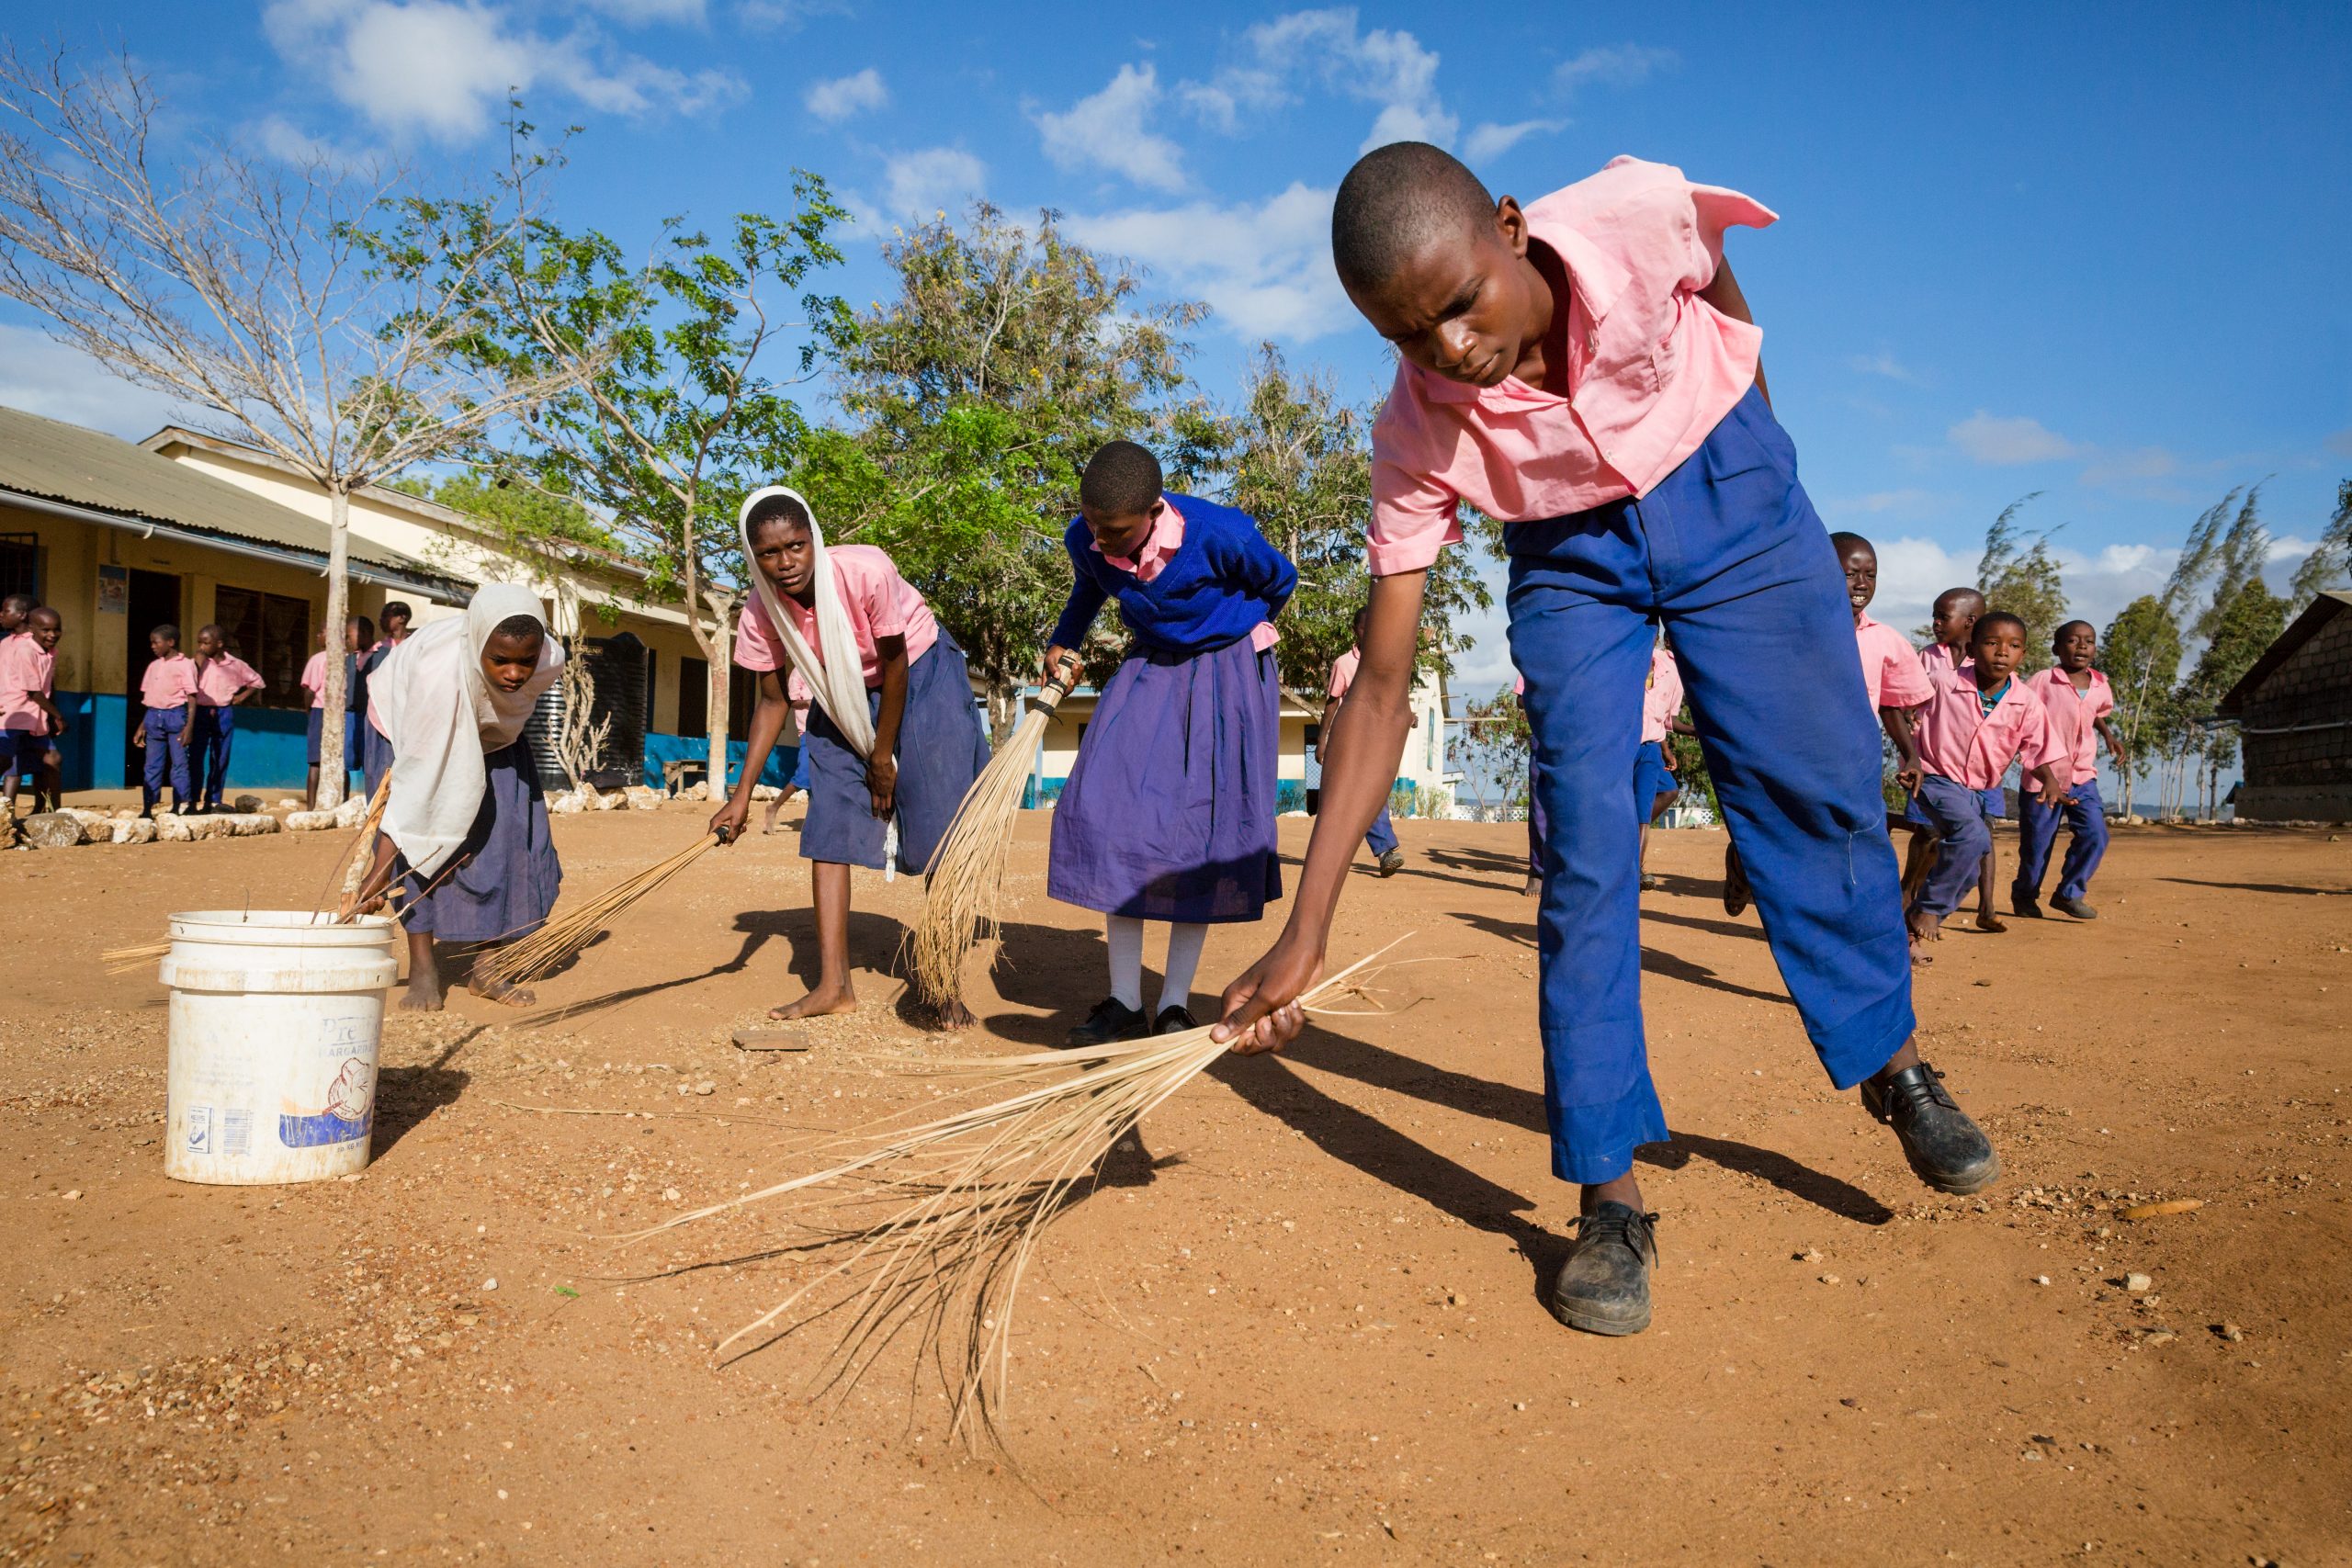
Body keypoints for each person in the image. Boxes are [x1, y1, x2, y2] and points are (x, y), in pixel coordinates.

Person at [1214, 145, 2003, 1338]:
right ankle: (1608, 1195)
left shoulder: (1635, 209)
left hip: (1728, 481)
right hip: (1571, 557)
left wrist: (1766, 453)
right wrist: (1305, 924)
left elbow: (1725, 292)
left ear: (1514, 229)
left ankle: (1891, 1063)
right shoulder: (1421, 427)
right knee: (1583, 851)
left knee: (1820, 788)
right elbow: (1378, 687)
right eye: (1407, 334)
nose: (1451, 351)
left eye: (1461, 304)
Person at [1045, 441, 1296, 1044]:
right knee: (1110, 814)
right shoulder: (1088, 537)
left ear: (1155, 510)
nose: (1102, 539)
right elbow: (1089, 585)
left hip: (1227, 672)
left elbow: (1278, 578)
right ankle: (1124, 1001)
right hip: (1152, 666)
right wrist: (1064, 639)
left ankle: (1175, 1004)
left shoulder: (1220, 533)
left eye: (1117, 530)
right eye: (1094, 525)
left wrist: (1243, 635)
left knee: (1199, 835)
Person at [709, 487, 989, 1026]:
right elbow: (771, 702)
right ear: (752, 556)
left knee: (939, 826)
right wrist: (740, 796)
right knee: (830, 822)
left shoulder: (865, 571)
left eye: (795, 545)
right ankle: (834, 985)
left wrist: (882, 760)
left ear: (812, 538)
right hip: (835, 691)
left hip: (921, 673)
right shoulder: (760, 613)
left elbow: (896, 667)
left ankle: (941, 984)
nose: (785, 563)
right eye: (768, 553)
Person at [349, 585, 565, 1011]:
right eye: (500, 660)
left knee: (509, 843)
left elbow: (505, 705)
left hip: (494, 737)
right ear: (477, 646)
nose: (515, 674)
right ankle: (424, 967)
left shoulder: (550, 659)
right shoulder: (437, 675)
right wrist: (379, 872)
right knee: (422, 843)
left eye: (526, 660)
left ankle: (489, 967)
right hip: (408, 732)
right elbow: (417, 790)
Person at [1724, 531, 1932, 916]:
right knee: (1777, 828)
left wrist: (1910, 756)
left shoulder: (1885, 640)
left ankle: (1831, 917)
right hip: (1790, 752)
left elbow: (1891, 704)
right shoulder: (1789, 626)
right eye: (1851, 573)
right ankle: (1742, 864)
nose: (1862, 584)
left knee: (1844, 840)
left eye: (1871, 575)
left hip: (1853, 760)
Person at [1907, 612, 2067, 947]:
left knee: (1973, 854)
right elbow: (1904, 707)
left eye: (2013, 645)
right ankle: (1928, 909)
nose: (2002, 652)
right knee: (1972, 834)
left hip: (1977, 791)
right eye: (1992, 643)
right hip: (1936, 778)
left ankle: (1912, 931)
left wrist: (2050, 780)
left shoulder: (2027, 703)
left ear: (2023, 654)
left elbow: (2036, 749)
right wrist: (1909, 750)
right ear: (1972, 649)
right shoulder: (1942, 682)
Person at [2013, 620, 2124, 919]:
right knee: (2037, 846)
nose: (2082, 646)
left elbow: (2095, 712)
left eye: (2088, 641)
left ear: (2095, 648)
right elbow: (2021, 709)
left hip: (2082, 775)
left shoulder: (2100, 683)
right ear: (2057, 648)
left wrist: (2108, 734)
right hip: (2044, 776)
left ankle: (2068, 893)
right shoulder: (2044, 680)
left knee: (2095, 834)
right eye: (2073, 641)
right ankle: (2025, 895)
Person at [1910, 586, 2006, 931]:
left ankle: (1987, 906)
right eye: (1934, 615)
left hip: (1982, 769)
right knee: (1927, 834)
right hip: (1932, 764)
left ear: (1970, 621)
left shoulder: (1990, 663)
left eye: (1942, 616)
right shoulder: (1927, 657)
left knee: (1983, 835)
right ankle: (1911, 896)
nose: (1935, 622)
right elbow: (1910, 699)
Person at [1325, 604, 1408, 878]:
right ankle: (1384, 850)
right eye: (1363, 627)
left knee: (1367, 794)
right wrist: (1323, 739)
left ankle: (1380, 851)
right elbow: (1332, 702)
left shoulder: (1389, 661)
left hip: (1381, 737)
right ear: (1355, 631)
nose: (1369, 632)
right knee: (1358, 793)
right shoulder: (1344, 663)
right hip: (1352, 738)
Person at [189, 625, 265, 812]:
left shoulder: (235, 664)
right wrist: (197, 664)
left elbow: (258, 682)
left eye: (206, 643)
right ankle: (191, 800)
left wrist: (240, 697)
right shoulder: (197, 662)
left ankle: (213, 800)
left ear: (219, 643)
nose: (201, 647)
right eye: (199, 642)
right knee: (195, 757)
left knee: (220, 757)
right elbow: (187, 684)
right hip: (200, 712)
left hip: (223, 712)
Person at [1635, 637, 1690, 892]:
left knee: (1645, 809)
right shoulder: (1629, 660)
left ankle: (1635, 868)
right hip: (1622, 745)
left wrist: (1667, 748)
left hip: (1650, 748)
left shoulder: (1674, 672)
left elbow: (1666, 719)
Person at [0, 606, 64, 814]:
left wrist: (50, 715)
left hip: (36, 716)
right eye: (46, 630)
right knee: (6, 761)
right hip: (14, 712)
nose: (52, 635)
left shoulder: (50, 651)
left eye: (56, 629)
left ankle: (52, 812)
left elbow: (46, 687)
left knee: (52, 759)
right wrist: (58, 715)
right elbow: (33, 691)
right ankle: (7, 813)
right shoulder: (25, 649)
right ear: (31, 629)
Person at [133, 624, 198, 817]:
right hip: (153, 717)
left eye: (156, 642)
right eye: (151, 643)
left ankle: (179, 806)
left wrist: (189, 726)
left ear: (170, 642)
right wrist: (142, 726)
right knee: (152, 765)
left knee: (179, 764)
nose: (153, 646)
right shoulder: (153, 666)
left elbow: (192, 697)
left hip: (176, 716)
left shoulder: (185, 664)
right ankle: (147, 808)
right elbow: (150, 699)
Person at [357, 603, 413, 802]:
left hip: (408, 719)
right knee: (379, 768)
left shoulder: (416, 643)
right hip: (380, 718)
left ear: (402, 618)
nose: (380, 621)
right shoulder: (378, 651)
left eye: (385, 616)